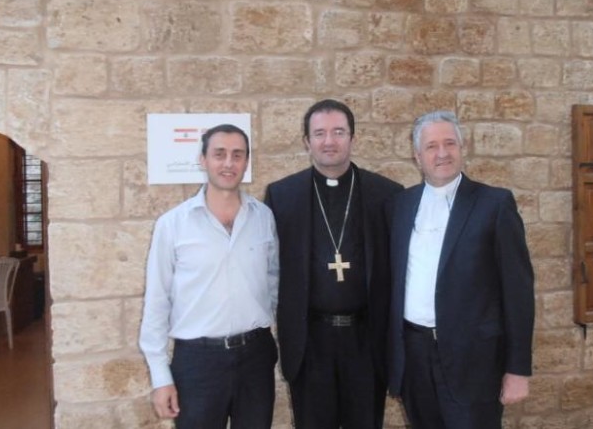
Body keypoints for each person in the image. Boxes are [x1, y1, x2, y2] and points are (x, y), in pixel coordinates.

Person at [387, 110, 535, 429]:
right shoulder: (400, 205)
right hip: (415, 358)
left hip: (474, 363)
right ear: (417, 157)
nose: (442, 153)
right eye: (431, 146)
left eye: (450, 143)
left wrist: (518, 369)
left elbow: (518, 292)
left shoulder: (494, 204)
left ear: (462, 148)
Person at [264, 99, 403, 429]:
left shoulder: (387, 194)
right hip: (310, 341)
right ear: (307, 141)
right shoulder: (282, 195)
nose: (329, 141)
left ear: (353, 138)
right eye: (320, 133)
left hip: (366, 341)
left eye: (339, 132)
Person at [139, 124, 279, 429]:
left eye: (237, 155)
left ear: (246, 162)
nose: (228, 163)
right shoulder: (172, 225)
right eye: (219, 154)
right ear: (203, 160)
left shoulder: (263, 218)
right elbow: (157, 302)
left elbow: (273, 282)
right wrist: (161, 377)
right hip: (197, 364)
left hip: (256, 358)